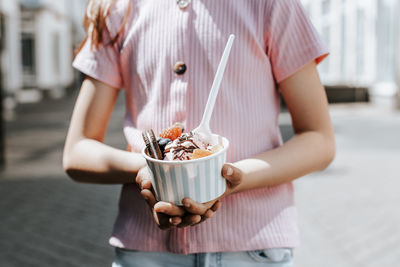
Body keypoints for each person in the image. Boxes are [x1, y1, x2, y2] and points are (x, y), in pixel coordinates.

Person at [63, 0, 335, 266]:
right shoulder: (116, 7)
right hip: (146, 252)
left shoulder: (272, 5)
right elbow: (78, 152)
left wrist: (231, 177)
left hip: (253, 248)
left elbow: (319, 139)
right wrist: (158, 170)